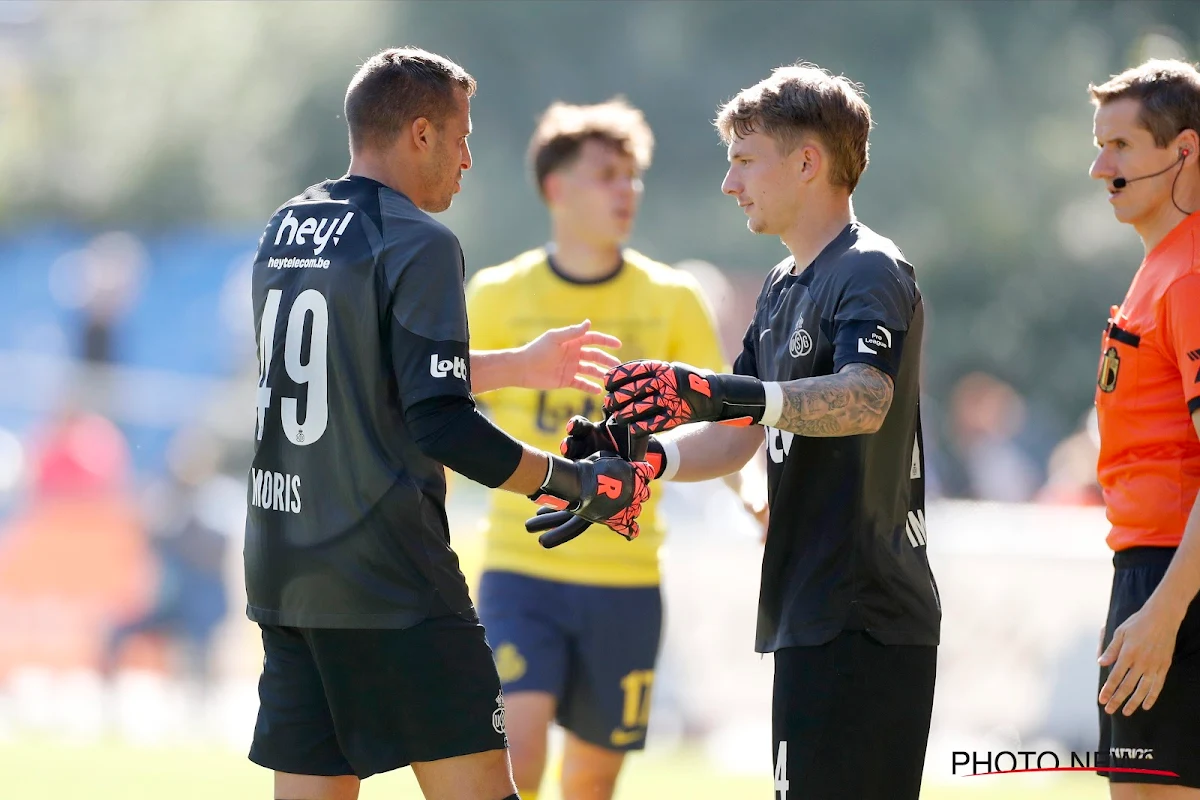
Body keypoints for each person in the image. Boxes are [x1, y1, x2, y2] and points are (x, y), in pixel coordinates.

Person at [243, 48, 655, 800]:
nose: (468, 159)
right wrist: (573, 482)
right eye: (462, 137)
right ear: (421, 133)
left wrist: (514, 366)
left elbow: (363, 377)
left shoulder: (285, 227)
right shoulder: (420, 242)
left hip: (287, 571)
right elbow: (442, 426)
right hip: (388, 574)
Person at [554, 63, 940, 799]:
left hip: (866, 610)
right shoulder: (780, 284)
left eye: (742, 160)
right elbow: (739, 430)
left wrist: (720, 392)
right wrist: (650, 464)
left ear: (806, 162)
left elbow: (865, 398)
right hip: (808, 605)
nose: (730, 184)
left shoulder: (869, 268)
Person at [465, 99, 727, 800]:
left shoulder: (673, 299)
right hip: (521, 569)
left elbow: (722, 423)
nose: (626, 191)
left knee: (590, 780)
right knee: (514, 755)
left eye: (633, 176)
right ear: (556, 188)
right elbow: (438, 411)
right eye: (607, 174)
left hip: (627, 579)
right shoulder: (494, 295)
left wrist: (754, 497)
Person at [1087, 58, 1200, 795]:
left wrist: (1163, 614)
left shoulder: (1189, 274)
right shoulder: (1162, 265)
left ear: (1184, 151)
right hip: (1156, 576)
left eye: (1121, 147)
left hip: (1173, 582)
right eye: (1099, 146)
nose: (1100, 168)